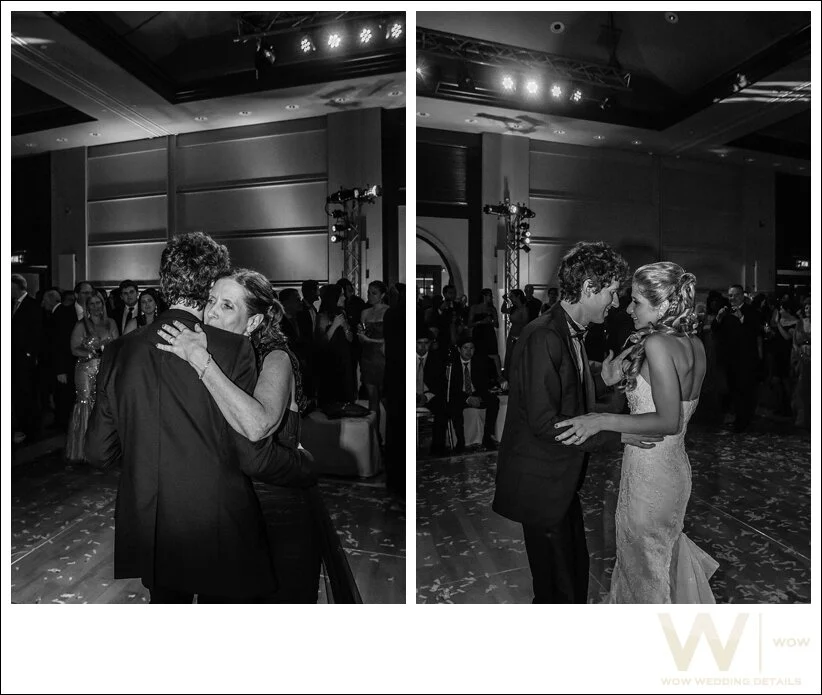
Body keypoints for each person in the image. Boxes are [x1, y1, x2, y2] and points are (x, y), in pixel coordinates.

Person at [85, 232, 314, 603]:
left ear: (163, 282)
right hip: (216, 522)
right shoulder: (233, 347)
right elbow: (251, 453)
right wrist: (305, 465)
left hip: (150, 519)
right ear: (211, 285)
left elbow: (98, 452)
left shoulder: (118, 351)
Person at [155, 267, 359, 603]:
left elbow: (256, 425)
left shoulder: (275, 358)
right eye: (211, 301)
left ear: (252, 323)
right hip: (222, 512)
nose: (211, 312)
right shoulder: (209, 354)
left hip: (275, 514)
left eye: (227, 306)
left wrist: (200, 360)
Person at [554, 262, 717, 603]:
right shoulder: (694, 343)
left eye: (637, 302)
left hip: (650, 474)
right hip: (672, 469)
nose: (628, 309)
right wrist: (614, 376)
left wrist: (600, 420)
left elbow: (668, 421)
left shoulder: (657, 343)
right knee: (656, 562)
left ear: (664, 305)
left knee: (645, 570)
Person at [493, 241, 645, 604]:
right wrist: (618, 434)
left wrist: (602, 379)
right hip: (541, 485)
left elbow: (562, 392)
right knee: (561, 593)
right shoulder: (545, 335)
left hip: (557, 483)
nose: (615, 303)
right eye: (611, 292)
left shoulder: (566, 330)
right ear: (589, 287)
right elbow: (546, 422)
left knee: (569, 583)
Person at [66, 291, 118, 462]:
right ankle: (82, 449)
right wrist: (92, 353)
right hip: (86, 370)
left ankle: (102, 448)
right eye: (92, 304)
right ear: (87, 307)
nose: (96, 307)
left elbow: (117, 346)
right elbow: (74, 348)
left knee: (104, 405)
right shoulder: (81, 325)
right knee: (86, 404)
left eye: (98, 303)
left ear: (103, 305)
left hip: (106, 369)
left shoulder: (111, 323)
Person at [447, 336, 499, 453]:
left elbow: (484, 384)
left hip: (476, 393)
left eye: (471, 348)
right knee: (454, 406)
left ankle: (487, 437)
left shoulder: (479, 362)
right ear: (459, 349)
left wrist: (478, 397)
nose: (468, 351)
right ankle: (460, 441)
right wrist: (468, 398)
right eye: (465, 348)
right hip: (460, 396)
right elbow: (452, 388)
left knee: (494, 401)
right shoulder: (452, 364)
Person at [11, 274, 44, 443]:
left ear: (16, 286)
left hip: (26, 359)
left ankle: (32, 431)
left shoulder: (32, 305)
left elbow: (37, 333)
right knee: (18, 394)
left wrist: (30, 354)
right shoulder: (12, 304)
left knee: (28, 394)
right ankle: (21, 427)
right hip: (14, 358)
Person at [315, 284, 356, 408]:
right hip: (330, 359)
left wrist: (345, 327)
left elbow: (350, 338)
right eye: (341, 295)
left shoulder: (342, 312)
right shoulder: (322, 316)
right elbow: (322, 342)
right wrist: (334, 325)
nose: (344, 298)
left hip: (344, 357)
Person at [357, 281, 389, 437]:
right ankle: (375, 438)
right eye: (369, 292)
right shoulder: (365, 312)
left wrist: (368, 340)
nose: (369, 296)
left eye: (374, 293)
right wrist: (360, 335)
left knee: (386, 399)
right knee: (372, 400)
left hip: (383, 357)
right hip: (368, 357)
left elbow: (391, 340)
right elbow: (361, 338)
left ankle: (391, 437)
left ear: (382, 295)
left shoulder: (388, 311)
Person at [467, 289, 502, 383]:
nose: (491, 297)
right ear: (484, 296)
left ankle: (499, 377)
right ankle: (478, 377)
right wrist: (480, 322)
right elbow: (469, 324)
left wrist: (492, 321)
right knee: (478, 354)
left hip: (489, 333)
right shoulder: (474, 307)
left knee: (494, 354)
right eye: (490, 295)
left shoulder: (492, 308)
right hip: (478, 333)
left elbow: (497, 325)